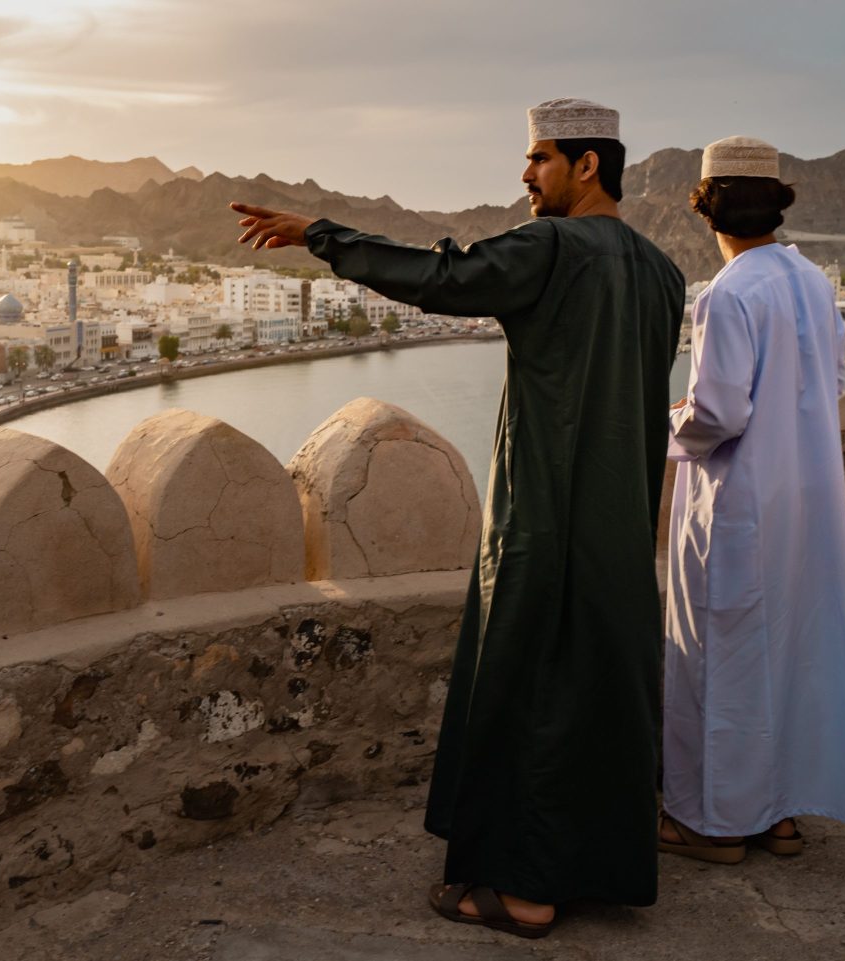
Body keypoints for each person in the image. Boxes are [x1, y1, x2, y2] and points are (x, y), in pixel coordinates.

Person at [232, 98, 683, 938]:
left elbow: (443, 278)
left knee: (530, 688)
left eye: (539, 158)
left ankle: (524, 891)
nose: (524, 174)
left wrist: (321, 235)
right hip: (622, 530)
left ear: (588, 165)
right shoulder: (662, 272)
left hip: (544, 518)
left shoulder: (550, 247)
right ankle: (589, 868)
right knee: (597, 692)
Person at [660, 137, 845, 863]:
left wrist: (669, 424)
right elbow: (830, 385)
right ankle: (778, 814)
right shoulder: (813, 281)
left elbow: (718, 414)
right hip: (808, 500)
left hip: (740, 501)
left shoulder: (728, 292)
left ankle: (713, 823)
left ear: (707, 208)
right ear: (777, 206)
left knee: (723, 658)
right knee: (792, 651)